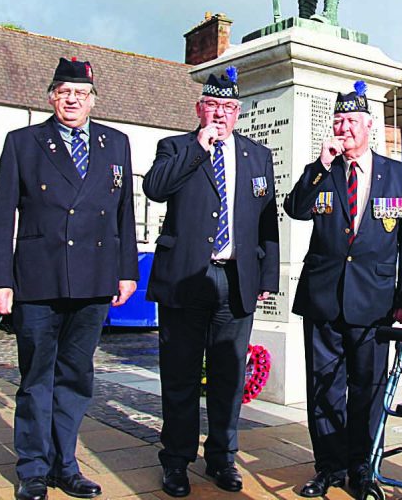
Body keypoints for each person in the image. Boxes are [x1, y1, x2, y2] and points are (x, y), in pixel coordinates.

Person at [0, 57, 139, 500]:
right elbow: (0, 217)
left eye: (81, 94)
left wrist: (127, 271)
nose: (73, 100)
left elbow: (125, 213)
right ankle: (33, 468)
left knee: (75, 376)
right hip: (38, 279)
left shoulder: (116, 143)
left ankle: (65, 464)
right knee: (36, 378)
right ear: (52, 97)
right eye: (65, 93)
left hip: (93, 279)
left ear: (93, 100)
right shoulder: (24, 142)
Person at [142, 67, 279, 497]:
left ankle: (222, 457)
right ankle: (177, 460)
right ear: (200, 109)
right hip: (186, 280)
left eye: (228, 107)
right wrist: (198, 150)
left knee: (228, 375)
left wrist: (267, 276)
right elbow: (155, 189)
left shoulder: (258, 155)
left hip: (236, 280)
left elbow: (267, 220)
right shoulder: (176, 147)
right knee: (181, 376)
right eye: (213, 106)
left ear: (238, 111)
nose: (220, 114)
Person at [285, 81, 402, 498]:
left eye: (350, 122)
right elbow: (295, 209)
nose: (343, 129)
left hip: (374, 302)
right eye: (338, 121)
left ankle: (364, 467)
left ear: (368, 127)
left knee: (367, 388)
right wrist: (318, 167)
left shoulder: (398, 175)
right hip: (323, 298)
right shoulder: (323, 171)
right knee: (323, 386)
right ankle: (328, 466)